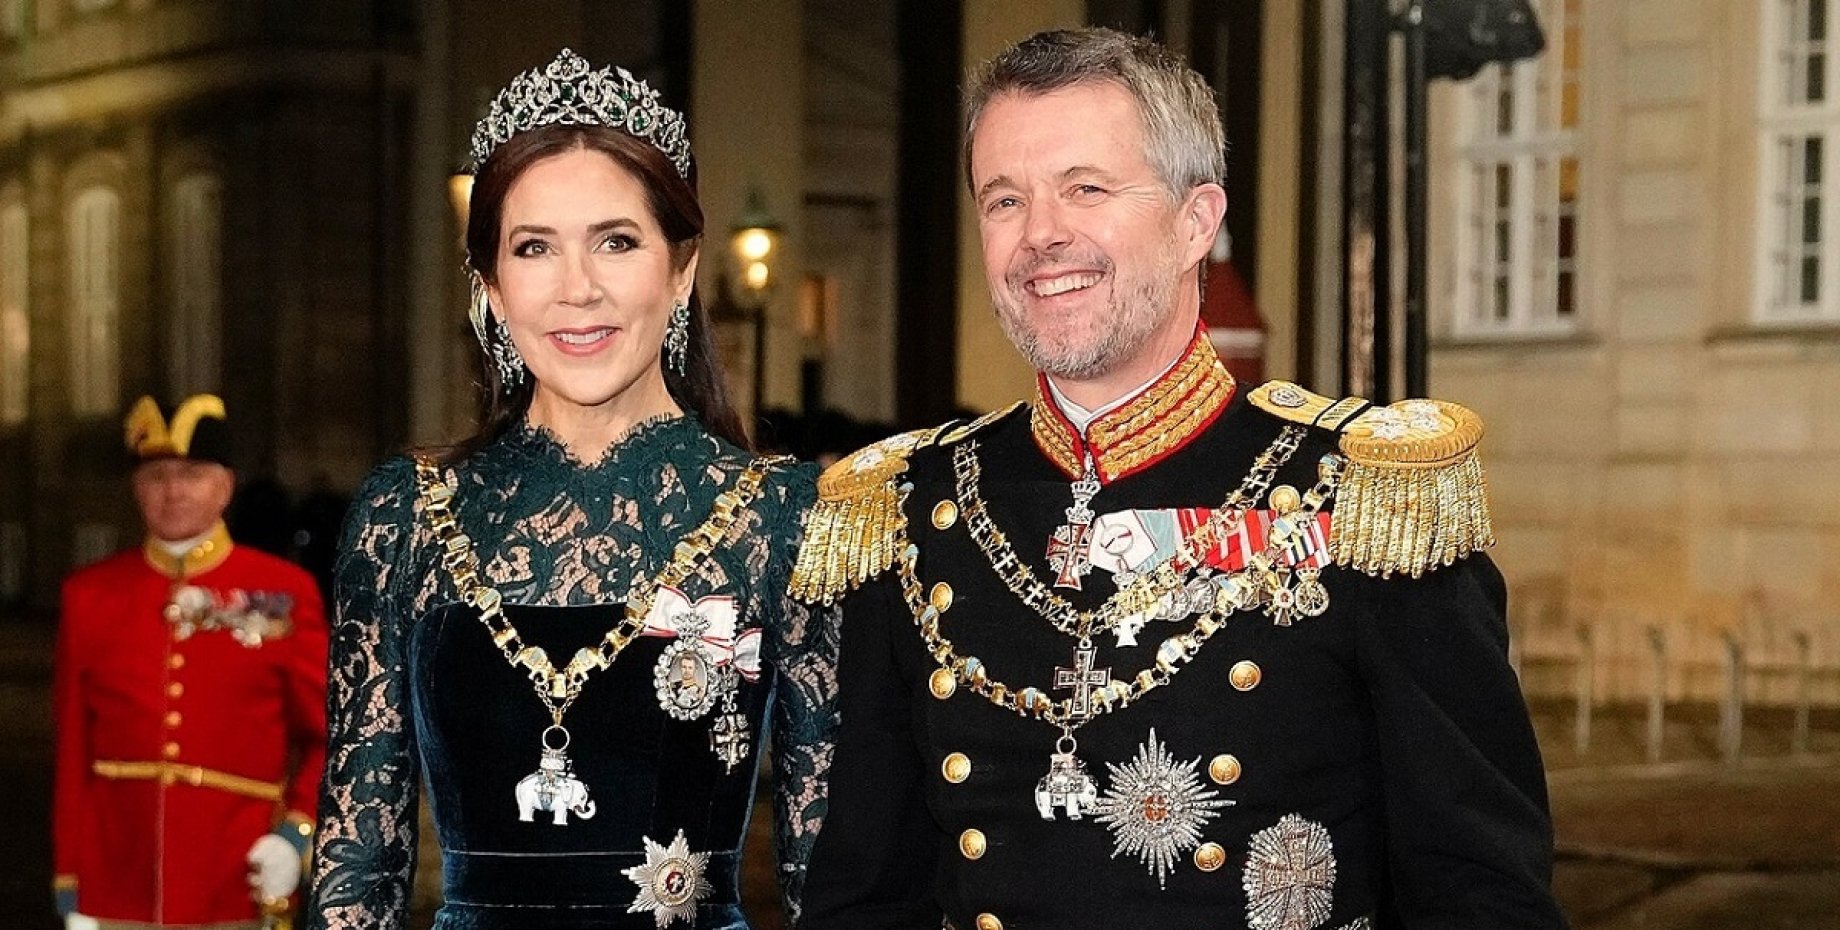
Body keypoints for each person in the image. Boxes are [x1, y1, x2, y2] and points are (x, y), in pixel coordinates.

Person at [792, 28, 1567, 930]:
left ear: (1197, 221)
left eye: (1086, 188)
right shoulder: (910, 508)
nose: (1041, 234)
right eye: (1005, 199)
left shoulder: (1364, 496)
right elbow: (866, 897)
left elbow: (1482, 896)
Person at [303, 50, 836, 930]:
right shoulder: (406, 514)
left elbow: (832, 867)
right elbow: (357, 869)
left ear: (682, 269)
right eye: (534, 248)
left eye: (616, 242)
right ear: (490, 285)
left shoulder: (785, 516)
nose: (577, 289)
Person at [53, 394, 328, 929]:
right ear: (136, 488)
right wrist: (71, 884)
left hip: (235, 882)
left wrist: (296, 834)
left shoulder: (282, 592)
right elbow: (72, 752)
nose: (174, 491)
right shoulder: (90, 596)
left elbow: (328, 735)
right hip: (116, 888)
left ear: (225, 486)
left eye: (192, 475)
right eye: (157, 476)